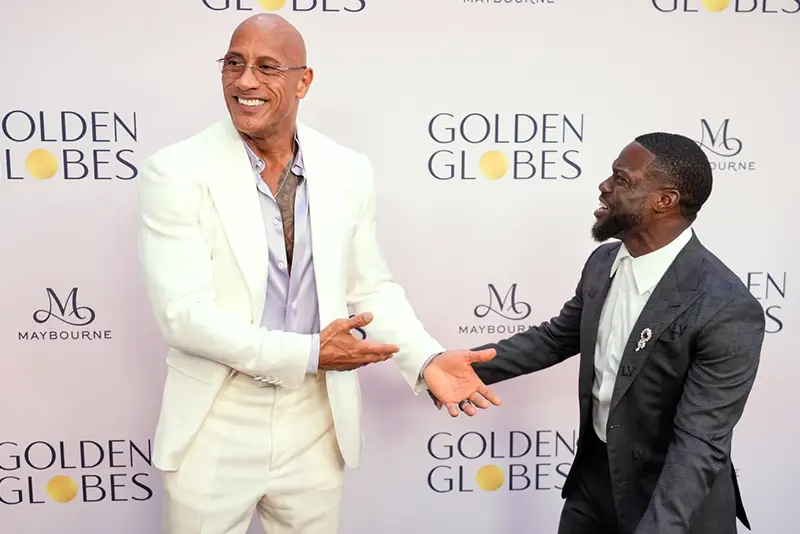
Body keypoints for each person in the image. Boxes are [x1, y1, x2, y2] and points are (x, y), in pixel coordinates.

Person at [137, 13, 499, 534]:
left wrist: (427, 358)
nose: (244, 81)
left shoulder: (347, 168)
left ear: (303, 81)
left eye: (266, 67)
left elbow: (369, 285)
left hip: (316, 419)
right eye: (233, 64)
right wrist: (310, 353)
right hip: (217, 418)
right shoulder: (175, 170)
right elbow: (182, 316)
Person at [449, 132, 765, 533]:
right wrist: (467, 367)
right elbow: (557, 337)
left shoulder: (726, 307)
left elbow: (699, 443)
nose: (604, 186)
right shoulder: (603, 261)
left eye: (622, 179)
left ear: (664, 201)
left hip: (673, 503)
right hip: (593, 488)